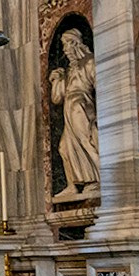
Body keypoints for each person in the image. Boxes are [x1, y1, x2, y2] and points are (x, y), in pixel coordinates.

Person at [49, 28, 100, 200]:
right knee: (64, 147)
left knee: (86, 141)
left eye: (66, 45)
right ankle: (73, 184)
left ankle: (100, 178)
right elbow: (57, 98)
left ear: (74, 43)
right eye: (63, 46)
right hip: (69, 108)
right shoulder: (69, 70)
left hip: (81, 106)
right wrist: (56, 80)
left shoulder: (89, 62)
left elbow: (101, 86)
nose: (64, 50)